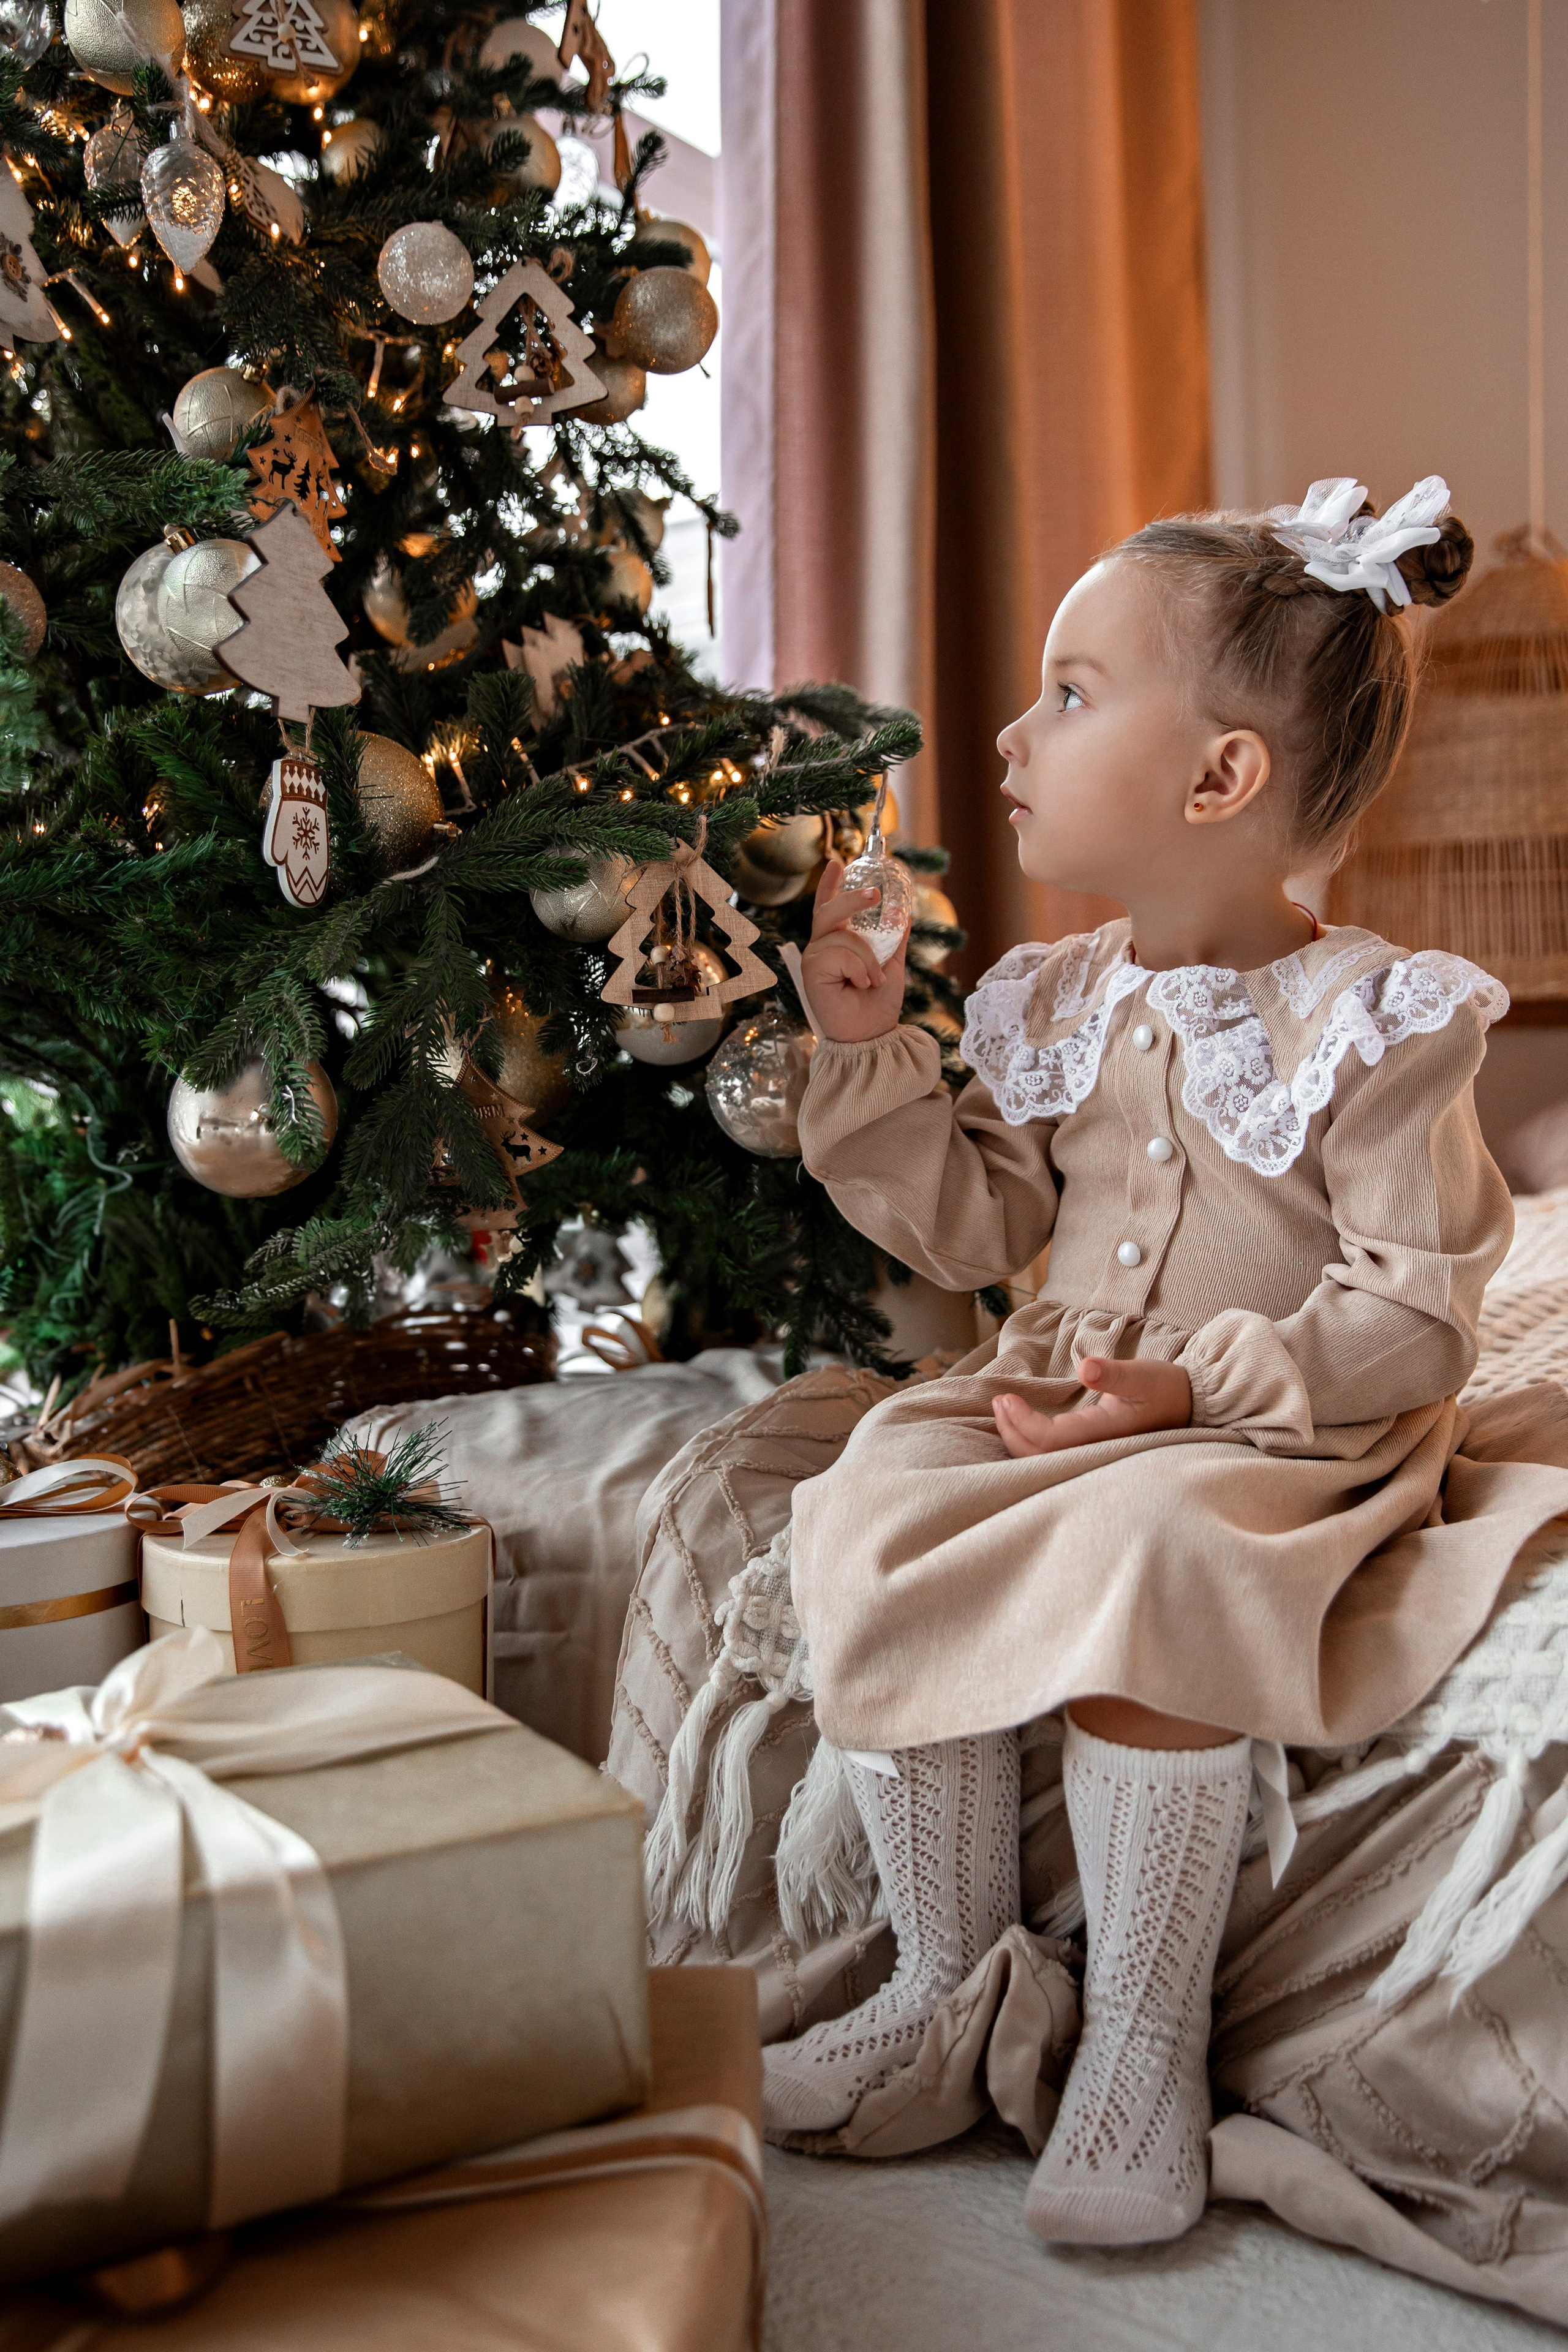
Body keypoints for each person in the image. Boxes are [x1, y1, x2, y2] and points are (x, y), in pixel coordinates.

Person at [763, 478, 1568, 2247]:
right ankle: (946, 1980)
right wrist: (871, 1052)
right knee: (879, 1491)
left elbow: (1415, 1311)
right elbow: (976, 1233)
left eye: (1070, 691)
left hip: (1272, 1429)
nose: (1009, 730)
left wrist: (1193, 1388)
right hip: (1064, 1399)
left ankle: (1140, 2042)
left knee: (1158, 1542)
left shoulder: (1378, 1018)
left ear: (1221, 782)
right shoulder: (1056, 1001)